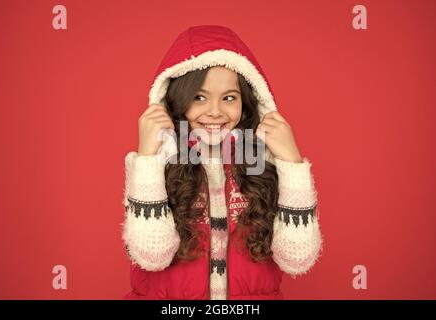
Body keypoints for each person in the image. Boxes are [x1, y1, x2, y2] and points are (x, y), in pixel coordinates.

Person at [122, 25, 322, 300]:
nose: (215, 111)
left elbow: (297, 260)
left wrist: (292, 163)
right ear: (177, 99)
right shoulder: (156, 166)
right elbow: (152, 256)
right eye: (199, 97)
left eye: (229, 97)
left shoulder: (264, 166)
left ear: (247, 101)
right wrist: (147, 159)